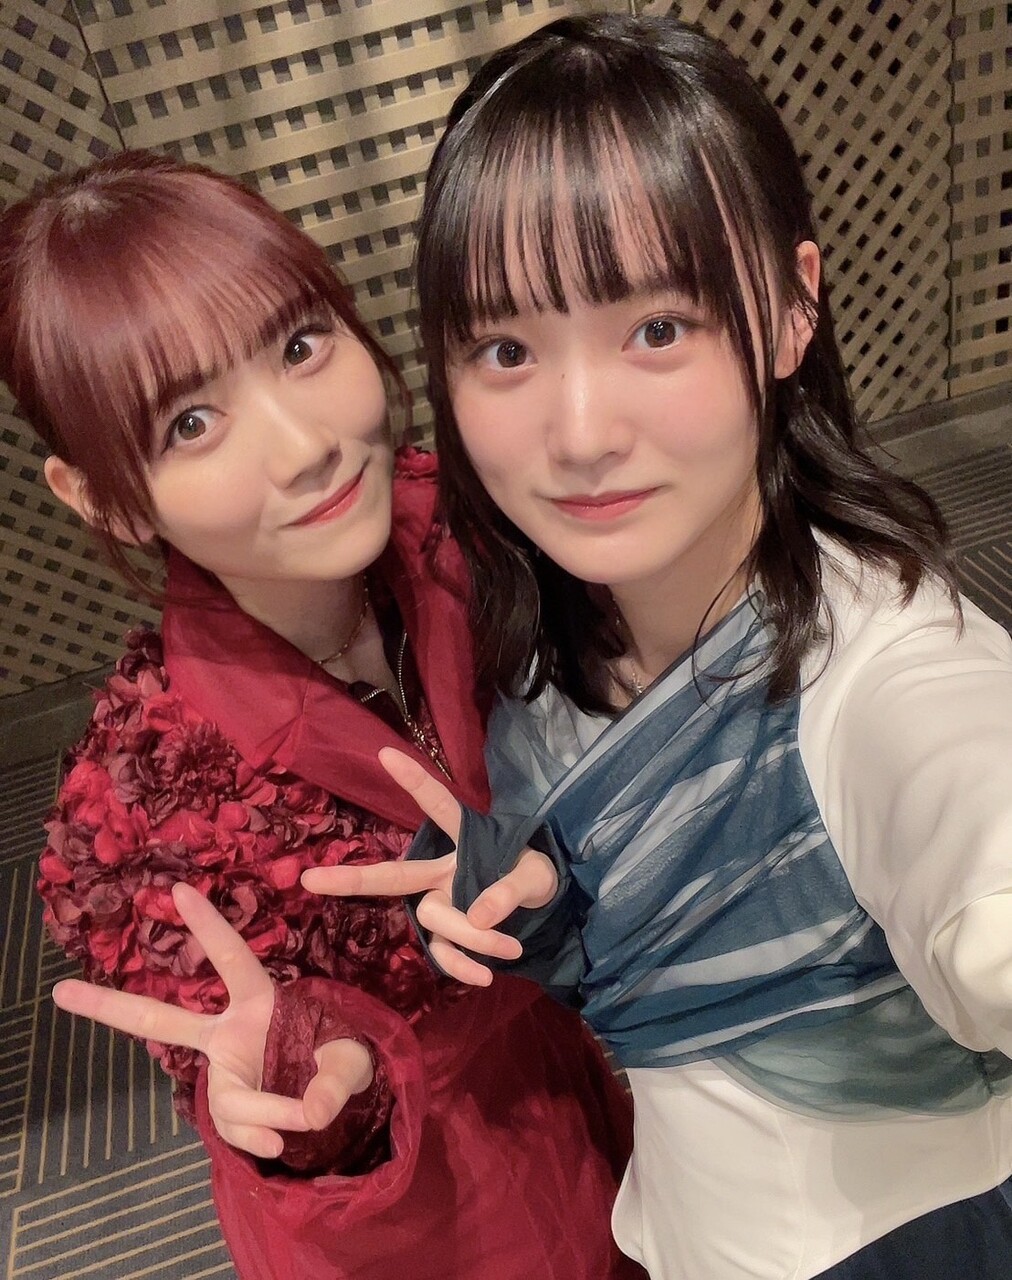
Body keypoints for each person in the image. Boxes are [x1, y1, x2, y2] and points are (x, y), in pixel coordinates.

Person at [308, 14, 1012, 1280]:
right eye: (506, 350)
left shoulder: (881, 664)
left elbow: (961, 798)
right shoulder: (559, 626)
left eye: (658, 328)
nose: (580, 432)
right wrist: (523, 891)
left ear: (792, 309)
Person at [0, 150, 642, 1280]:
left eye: (300, 346)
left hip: (578, 1083)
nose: (306, 448)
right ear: (101, 495)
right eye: (189, 423)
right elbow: (269, 1078)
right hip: (427, 1219)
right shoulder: (146, 810)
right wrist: (304, 1096)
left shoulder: (475, 533)